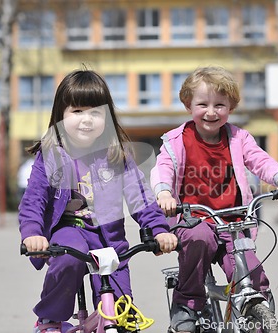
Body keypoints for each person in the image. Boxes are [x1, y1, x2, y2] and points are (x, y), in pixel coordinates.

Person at [18, 69, 178, 333]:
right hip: (69, 233)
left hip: (109, 241)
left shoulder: (118, 157)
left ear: (107, 116)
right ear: (61, 115)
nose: (87, 120)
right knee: (68, 258)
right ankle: (50, 321)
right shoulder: (51, 156)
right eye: (77, 111)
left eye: (95, 112)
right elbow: (33, 201)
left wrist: (159, 230)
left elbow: (142, 199)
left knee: (121, 313)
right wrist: (33, 234)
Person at [150, 66, 278, 333]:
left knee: (250, 274)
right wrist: (164, 193)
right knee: (199, 239)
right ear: (188, 105)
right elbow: (164, 168)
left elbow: (260, 160)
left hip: (234, 220)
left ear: (231, 107)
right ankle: (187, 304)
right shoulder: (176, 140)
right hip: (194, 219)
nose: (211, 112)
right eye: (203, 104)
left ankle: (257, 309)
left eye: (220, 105)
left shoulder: (238, 138)